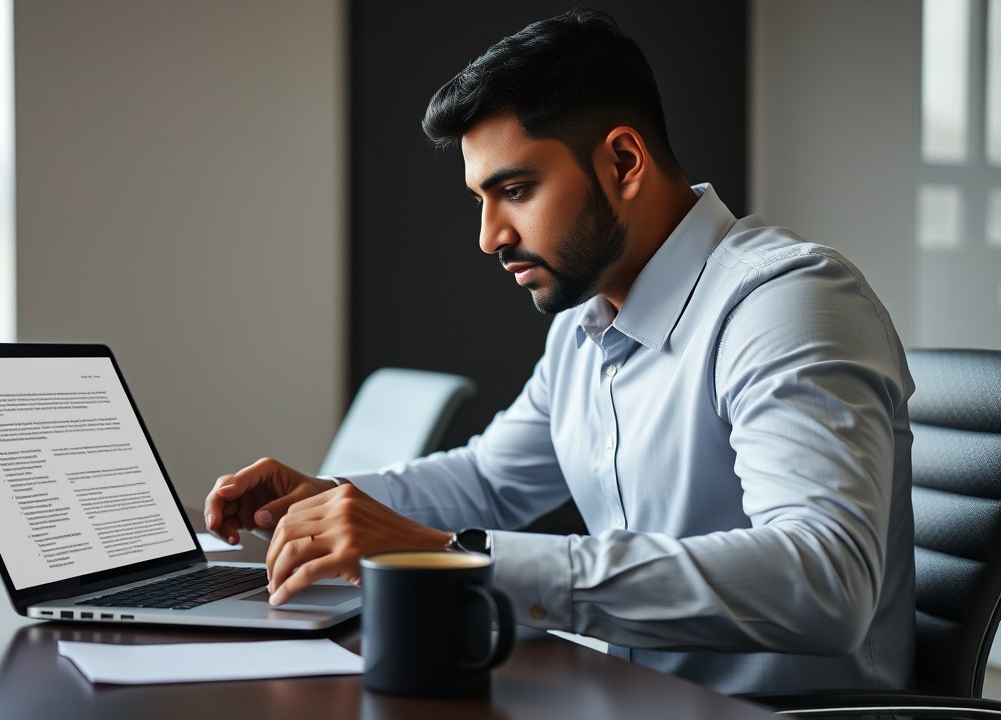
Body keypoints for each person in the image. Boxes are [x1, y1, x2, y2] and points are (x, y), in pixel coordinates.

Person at [205, 9, 914, 696]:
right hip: (625, 695)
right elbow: (491, 481)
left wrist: (457, 558)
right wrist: (334, 503)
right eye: (481, 199)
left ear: (624, 162)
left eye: (515, 190)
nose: (489, 237)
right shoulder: (589, 323)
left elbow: (826, 582)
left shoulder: (785, 303)